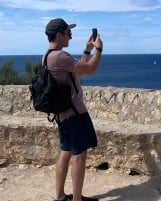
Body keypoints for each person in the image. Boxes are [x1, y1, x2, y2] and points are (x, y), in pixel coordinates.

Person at [44, 18, 103, 201]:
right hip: (75, 114)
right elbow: (91, 69)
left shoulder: (49, 55)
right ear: (59, 34)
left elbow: (78, 71)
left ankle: (61, 196)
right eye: (68, 32)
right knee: (79, 156)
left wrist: (87, 50)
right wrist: (99, 50)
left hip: (63, 114)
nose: (71, 35)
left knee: (66, 152)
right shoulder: (60, 57)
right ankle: (77, 199)